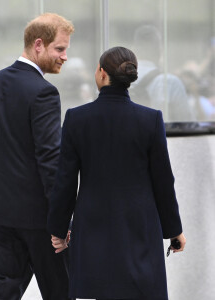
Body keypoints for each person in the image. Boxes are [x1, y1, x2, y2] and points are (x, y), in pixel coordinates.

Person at [47, 46, 186, 300]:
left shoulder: (77, 119)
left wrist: (58, 229)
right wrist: (174, 231)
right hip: (139, 230)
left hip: (93, 229)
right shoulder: (150, 119)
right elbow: (163, 181)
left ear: (101, 73)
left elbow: (65, 181)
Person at [0, 13, 74, 300]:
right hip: (40, 219)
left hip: (0, 213)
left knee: (4, 292)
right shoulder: (44, 91)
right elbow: (50, 159)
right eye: (59, 49)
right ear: (38, 45)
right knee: (62, 292)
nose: (65, 57)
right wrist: (62, 221)